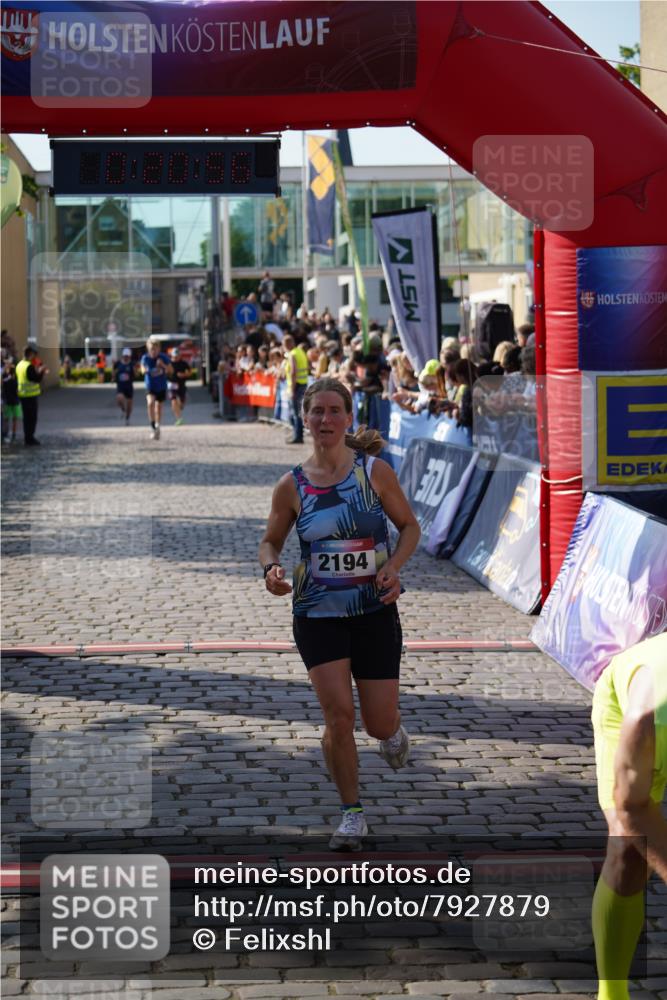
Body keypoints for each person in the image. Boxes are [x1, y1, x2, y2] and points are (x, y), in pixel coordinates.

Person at [259, 377, 421, 851]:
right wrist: (271, 567)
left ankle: (392, 732)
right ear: (304, 418)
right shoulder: (292, 485)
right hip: (316, 612)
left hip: (372, 611)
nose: (325, 420)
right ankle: (352, 813)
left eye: (334, 411)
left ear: (349, 418)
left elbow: (409, 527)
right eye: (317, 412)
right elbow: (271, 540)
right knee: (338, 715)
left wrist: (393, 566)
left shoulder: (374, 473)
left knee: (376, 722)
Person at [591, 633, 667, 1000]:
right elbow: (632, 806)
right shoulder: (650, 711)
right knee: (629, 850)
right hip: (626, 707)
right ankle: (612, 992)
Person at [16, 346, 48, 446]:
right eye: (34, 354)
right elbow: (35, 379)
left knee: (26, 418)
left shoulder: (20, 364)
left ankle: (27, 437)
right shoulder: (28, 366)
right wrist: (42, 371)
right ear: (30, 354)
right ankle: (30, 438)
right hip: (30, 396)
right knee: (31, 418)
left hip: (22, 394)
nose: (34, 357)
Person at [140, 338, 171, 440]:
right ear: (148, 349)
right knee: (150, 403)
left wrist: (163, 365)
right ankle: (152, 425)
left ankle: (158, 425)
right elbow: (142, 369)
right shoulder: (145, 358)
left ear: (159, 349)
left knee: (158, 407)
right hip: (150, 386)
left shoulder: (163, 357)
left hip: (161, 386)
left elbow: (171, 370)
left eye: (155, 349)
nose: (153, 351)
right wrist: (145, 370)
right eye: (151, 349)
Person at [282, 332, 309, 444]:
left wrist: (292, 389)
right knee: (297, 411)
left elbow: (293, 372)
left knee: (295, 412)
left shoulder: (292, 354)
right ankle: (298, 435)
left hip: (296, 385)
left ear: (286, 344)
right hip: (303, 383)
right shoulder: (300, 351)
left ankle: (298, 436)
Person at [167, 347, 192, 426]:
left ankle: (179, 407)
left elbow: (190, 372)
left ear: (180, 356)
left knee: (181, 403)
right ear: (171, 356)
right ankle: (179, 419)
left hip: (181, 385)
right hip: (172, 385)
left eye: (177, 356)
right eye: (174, 356)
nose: (176, 358)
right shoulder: (169, 363)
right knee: (173, 401)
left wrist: (184, 375)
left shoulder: (183, 363)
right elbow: (165, 373)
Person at [113, 348, 135, 424]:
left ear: (129, 356)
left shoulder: (132, 364)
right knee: (119, 399)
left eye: (127, 356)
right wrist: (113, 377)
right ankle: (123, 409)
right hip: (120, 385)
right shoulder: (118, 363)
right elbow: (114, 372)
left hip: (129, 386)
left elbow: (136, 374)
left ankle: (127, 418)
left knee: (129, 404)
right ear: (122, 356)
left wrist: (136, 370)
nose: (126, 357)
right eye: (125, 356)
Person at [2, 357, 21, 444]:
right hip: (6, 399)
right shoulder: (3, 375)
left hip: (15, 399)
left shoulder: (15, 374)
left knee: (15, 418)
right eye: (6, 363)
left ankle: (13, 435)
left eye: (9, 363)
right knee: (6, 419)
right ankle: (5, 434)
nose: (8, 365)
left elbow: (18, 386)